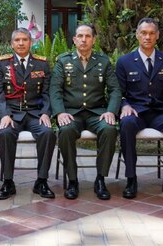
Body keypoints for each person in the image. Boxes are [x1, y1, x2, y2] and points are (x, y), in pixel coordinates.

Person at [116, 17, 163, 199]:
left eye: (151, 33)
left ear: (157, 35)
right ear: (137, 35)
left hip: (160, 113)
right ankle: (131, 178)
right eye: (143, 33)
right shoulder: (124, 62)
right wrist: (124, 105)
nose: (147, 37)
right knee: (126, 123)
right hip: (136, 112)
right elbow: (118, 92)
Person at [50, 23, 121, 200]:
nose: (83, 40)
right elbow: (55, 90)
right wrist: (60, 113)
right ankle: (73, 180)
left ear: (93, 40)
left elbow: (115, 90)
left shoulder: (103, 61)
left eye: (87, 36)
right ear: (74, 40)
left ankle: (100, 179)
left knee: (109, 129)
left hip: (97, 113)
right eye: (80, 36)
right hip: (71, 113)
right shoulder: (63, 61)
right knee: (65, 131)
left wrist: (111, 111)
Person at [0, 28, 56, 200]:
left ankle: (41, 181)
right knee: (5, 134)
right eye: (17, 40)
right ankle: (8, 181)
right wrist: (4, 114)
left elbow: (48, 93)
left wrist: (46, 113)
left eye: (24, 40)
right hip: (11, 113)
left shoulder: (42, 64)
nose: (21, 43)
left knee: (47, 133)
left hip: (35, 113)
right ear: (11, 44)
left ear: (31, 42)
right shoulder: (2, 63)